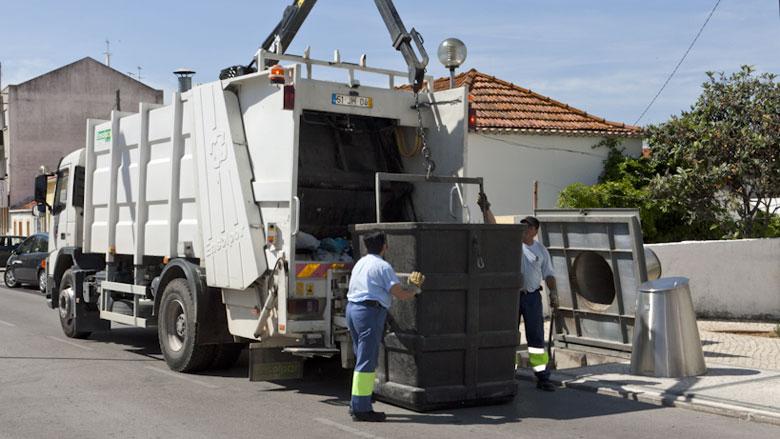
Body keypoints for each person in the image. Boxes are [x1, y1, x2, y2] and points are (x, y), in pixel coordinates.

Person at [478, 193, 559, 391]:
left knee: (536, 338)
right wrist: (486, 208)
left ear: (535, 231)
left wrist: (554, 293)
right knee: (508, 335)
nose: (524, 228)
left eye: (528, 226)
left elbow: (549, 274)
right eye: (522, 225)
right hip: (511, 297)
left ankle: (542, 377)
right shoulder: (512, 243)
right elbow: (494, 227)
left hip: (532, 298)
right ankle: (506, 373)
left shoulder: (541, 250)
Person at [346, 232, 425, 422]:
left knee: (361, 358)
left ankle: (356, 403)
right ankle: (361, 409)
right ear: (385, 246)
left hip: (353, 310)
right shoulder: (383, 266)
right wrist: (415, 289)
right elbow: (400, 294)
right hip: (369, 313)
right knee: (367, 361)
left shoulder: (361, 263)